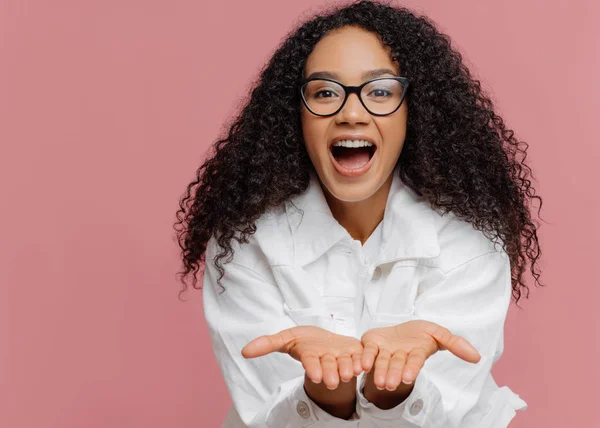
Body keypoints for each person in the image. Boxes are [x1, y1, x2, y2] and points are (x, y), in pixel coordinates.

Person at [173, 1, 543, 426]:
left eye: (381, 91)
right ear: (295, 114)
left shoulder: (471, 238)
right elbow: (265, 415)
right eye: (325, 92)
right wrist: (325, 393)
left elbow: (450, 415)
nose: (351, 113)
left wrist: (394, 391)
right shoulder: (246, 240)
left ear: (413, 111)